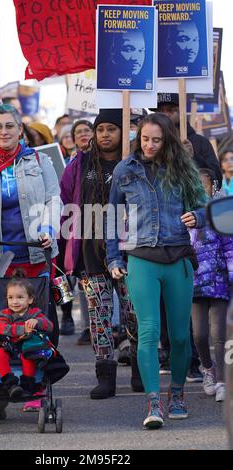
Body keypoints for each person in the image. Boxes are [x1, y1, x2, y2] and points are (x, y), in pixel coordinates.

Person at [106, 112, 207, 428]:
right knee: (148, 331)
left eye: (156, 140)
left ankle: (176, 395)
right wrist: (113, 260)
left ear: (167, 141)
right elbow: (111, 217)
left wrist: (197, 217)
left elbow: (204, 205)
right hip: (141, 258)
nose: (149, 145)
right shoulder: (125, 169)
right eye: (144, 139)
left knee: (179, 337)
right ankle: (153, 402)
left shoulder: (182, 168)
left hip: (178, 257)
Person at [0, 104, 62, 411]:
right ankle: (0, 386)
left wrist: (48, 227)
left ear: (20, 129)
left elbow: (53, 198)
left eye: (9, 126)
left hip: (33, 253)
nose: (4, 131)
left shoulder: (39, 160)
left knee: (37, 322)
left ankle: (35, 386)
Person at [60, 108, 142, 399]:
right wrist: (66, 246)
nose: (105, 134)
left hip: (130, 250)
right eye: (101, 129)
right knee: (99, 316)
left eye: (111, 129)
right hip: (92, 251)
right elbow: (66, 200)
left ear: (123, 132)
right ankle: (105, 375)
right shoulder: (81, 163)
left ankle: (138, 369)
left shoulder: (136, 162)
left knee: (134, 314)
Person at [152, 93, 222, 380]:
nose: (168, 114)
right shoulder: (153, 141)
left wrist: (191, 157)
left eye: (173, 109)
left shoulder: (199, 142)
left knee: (192, 300)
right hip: (165, 230)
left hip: (194, 230)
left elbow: (213, 181)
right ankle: (170, 350)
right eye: (163, 110)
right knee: (166, 301)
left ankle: (196, 359)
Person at [190, 168, 233, 403]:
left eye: (204, 186)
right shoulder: (186, 214)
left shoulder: (221, 213)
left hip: (218, 284)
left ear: (212, 188)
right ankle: (207, 369)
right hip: (195, 285)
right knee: (199, 335)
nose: (201, 191)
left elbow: (230, 247)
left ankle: (223, 381)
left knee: (218, 334)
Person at [0, 269, 53, 398]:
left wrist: (38, 322)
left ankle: (27, 385)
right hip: (8, 346)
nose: (15, 302)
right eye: (10, 298)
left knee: (28, 355)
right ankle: (10, 384)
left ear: (30, 299)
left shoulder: (35, 313)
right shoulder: (5, 314)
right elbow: (0, 328)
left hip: (27, 348)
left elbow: (49, 326)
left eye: (20, 297)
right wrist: (22, 329)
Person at [71, 119, 94, 344]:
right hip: (79, 228)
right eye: (79, 132)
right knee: (84, 283)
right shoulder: (71, 162)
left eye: (88, 130)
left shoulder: (99, 160)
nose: (84, 134)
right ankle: (89, 327)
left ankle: (117, 327)